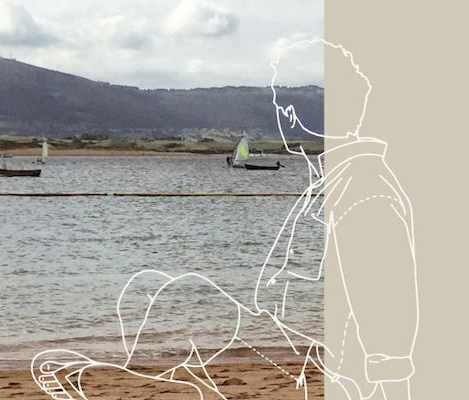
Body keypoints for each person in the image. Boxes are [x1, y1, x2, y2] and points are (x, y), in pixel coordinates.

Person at [32, 40, 418, 400]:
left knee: (181, 290)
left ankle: (100, 373)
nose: (281, 117)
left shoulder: (366, 191)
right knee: (156, 284)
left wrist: (386, 368)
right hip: (281, 328)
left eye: (283, 109)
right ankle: (115, 369)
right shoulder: (343, 181)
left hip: (326, 361)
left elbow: (389, 295)